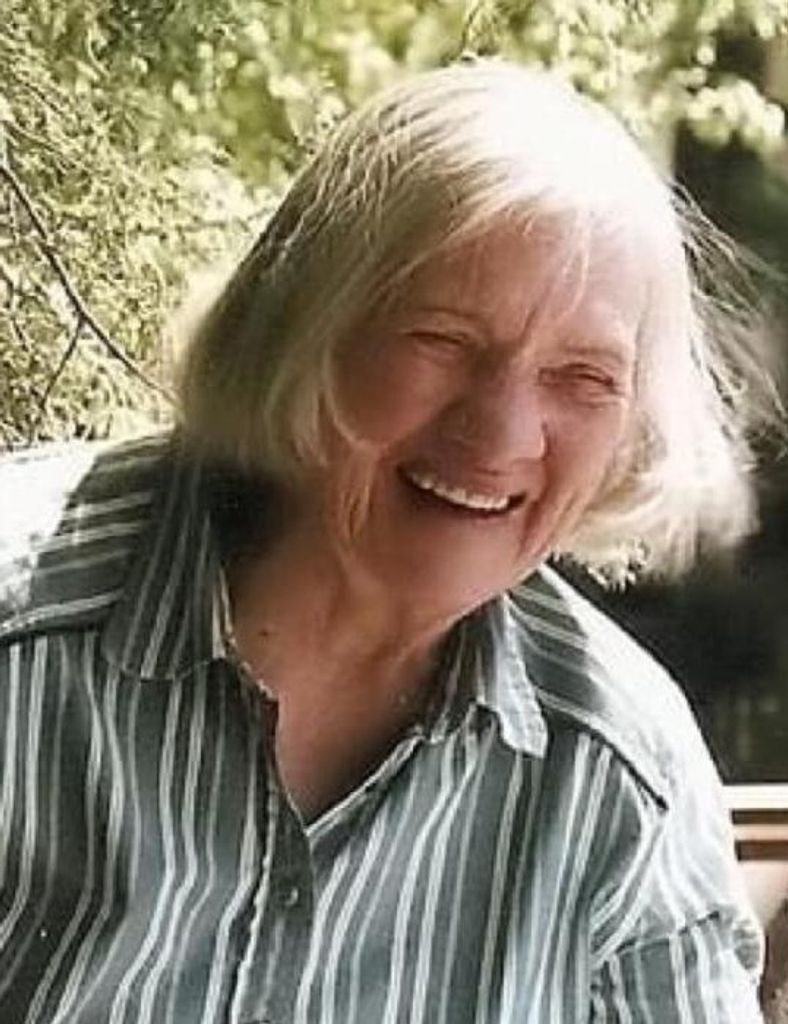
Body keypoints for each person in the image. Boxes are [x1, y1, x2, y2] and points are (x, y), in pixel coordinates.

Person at [0, 60, 781, 1023]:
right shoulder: (24, 638)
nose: (502, 435)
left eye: (582, 378)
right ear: (300, 329)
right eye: (441, 340)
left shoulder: (620, 776)